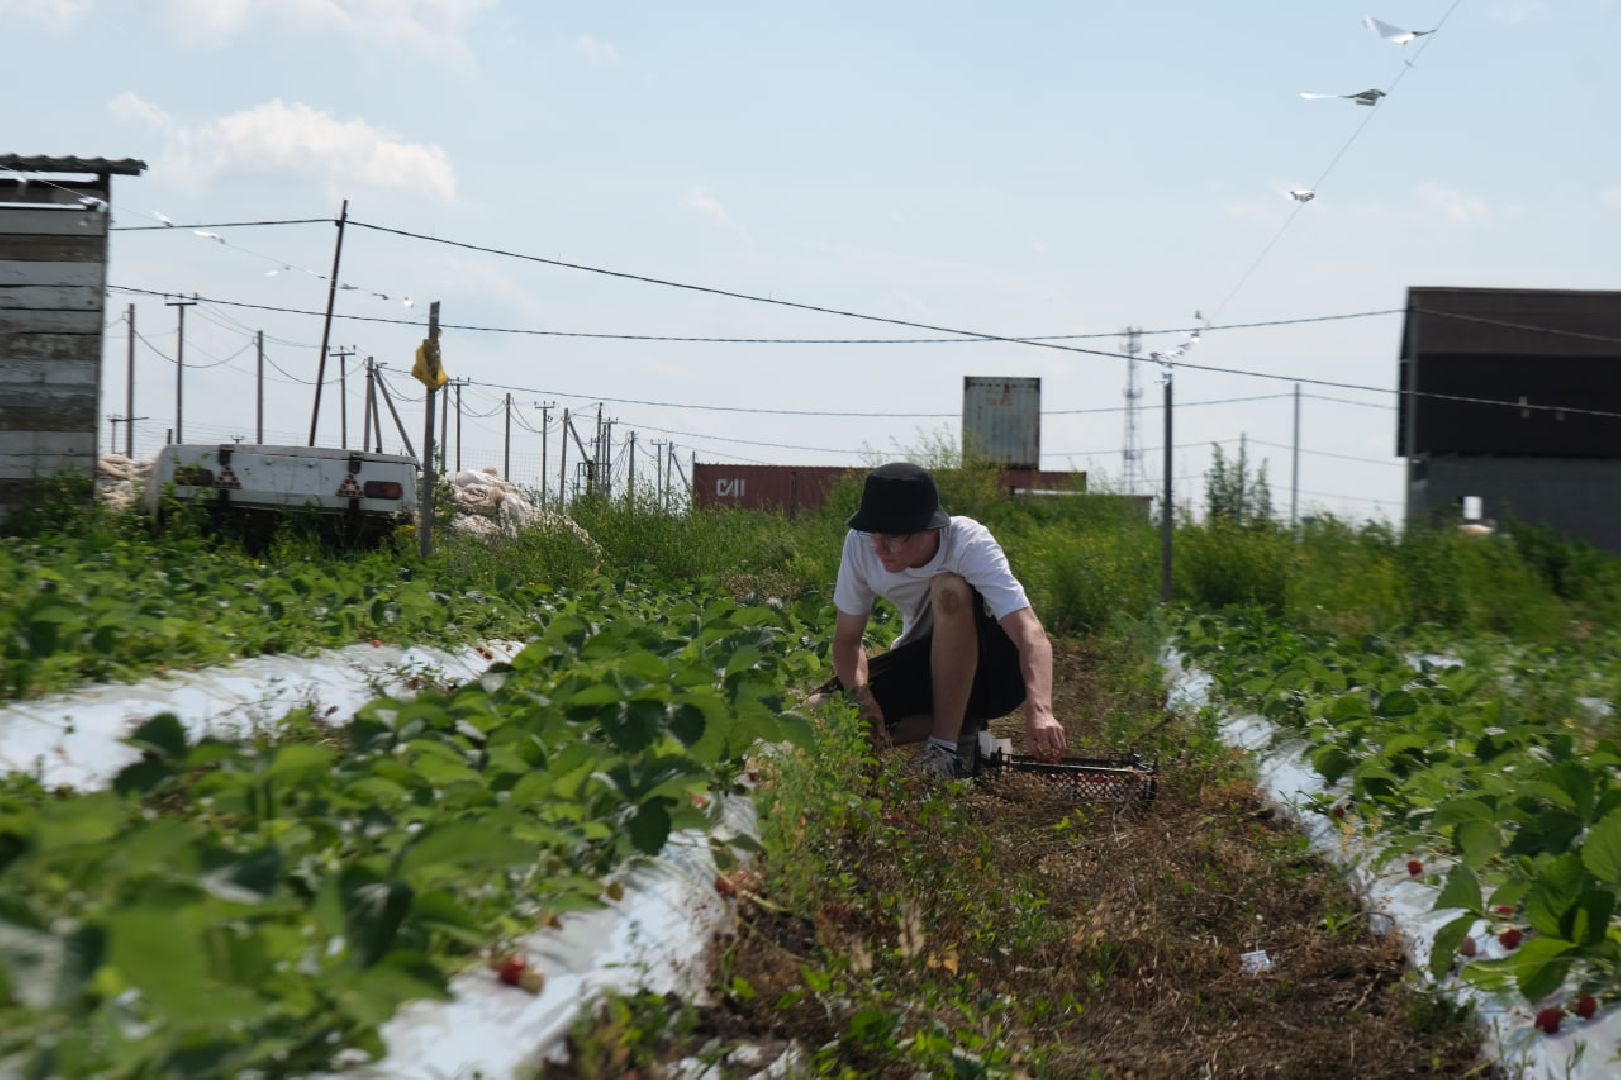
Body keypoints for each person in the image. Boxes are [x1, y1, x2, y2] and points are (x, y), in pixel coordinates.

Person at [815, 462, 1067, 777]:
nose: (879, 549)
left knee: (950, 587)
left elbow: (1029, 632)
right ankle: (965, 727)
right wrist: (861, 696)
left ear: (929, 527)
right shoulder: (860, 545)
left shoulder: (966, 542)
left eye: (893, 537)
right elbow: (846, 641)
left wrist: (1041, 710)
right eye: (874, 534)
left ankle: (943, 750)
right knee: (819, 713)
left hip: (997, 673)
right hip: (928, 664)